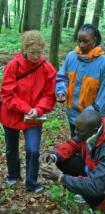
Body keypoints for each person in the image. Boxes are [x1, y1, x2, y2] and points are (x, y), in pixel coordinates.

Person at [41, 110, 105, 212]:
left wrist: (61, 177)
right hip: (96, 173)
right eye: (76, 129)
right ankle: (83, 192)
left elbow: (97, 186)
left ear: (94, 131)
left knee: (93, 188)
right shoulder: (89, 130)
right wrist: (54, 156)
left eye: (79, 131)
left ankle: (101, 206)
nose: (75, 132)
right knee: (61, 160)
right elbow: (72, 144)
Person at [0, 30, 56, 193]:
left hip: (34, 117)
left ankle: (31, 182)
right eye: (32, 52)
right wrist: (26, 108)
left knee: (33, 150)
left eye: (39, 52)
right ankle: (13, 174)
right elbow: (7, 93)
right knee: (11, 148)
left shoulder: (46, 67)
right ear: (24, 49)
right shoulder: (13, 66)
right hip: (11, 114)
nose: (36, 56)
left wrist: (38, 110)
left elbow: (49, 93)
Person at [56, 24, 105, 137]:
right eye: (79, 41)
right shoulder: (71, 57)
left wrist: (91, 114)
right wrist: (61, 91)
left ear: (94, 40)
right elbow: (62, 78)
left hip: (91, 120)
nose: (82, 45)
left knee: (89, 150)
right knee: (75, 147)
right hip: (72, 115)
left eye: (86, 41)